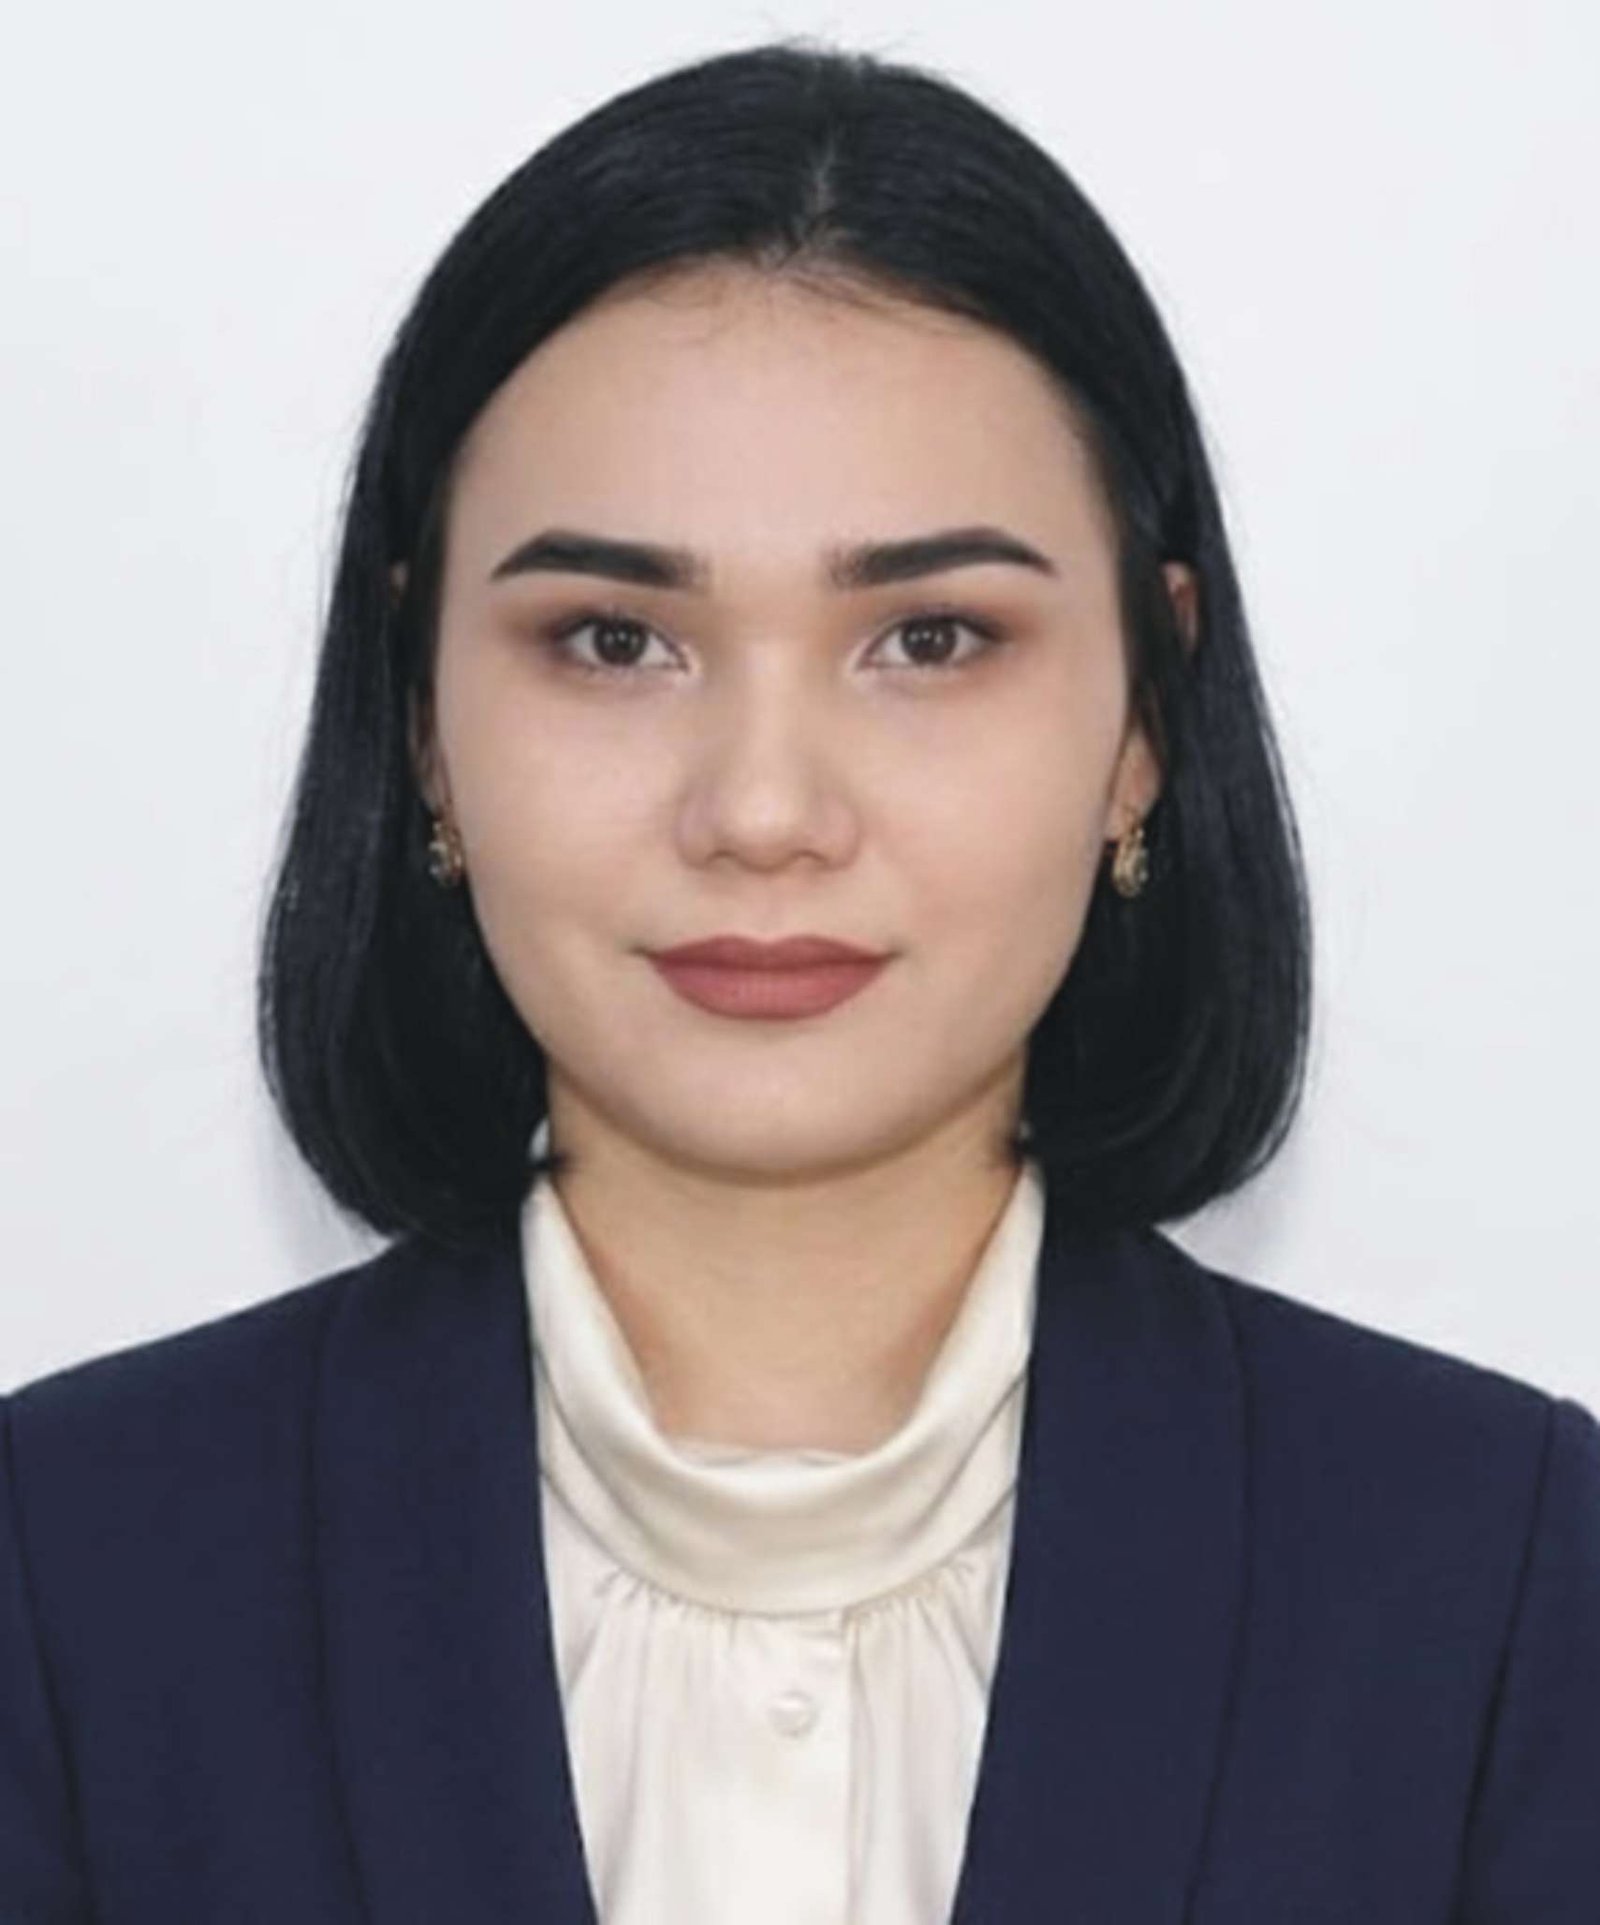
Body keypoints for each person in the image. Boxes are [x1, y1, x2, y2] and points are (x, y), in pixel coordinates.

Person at [2, 37, 1596, 1925]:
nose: (762, 811)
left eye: (930, 638)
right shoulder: (61, 1583)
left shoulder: (1512, 1590)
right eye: (615, 640)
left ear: (1143, 721)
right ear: (424, 715)